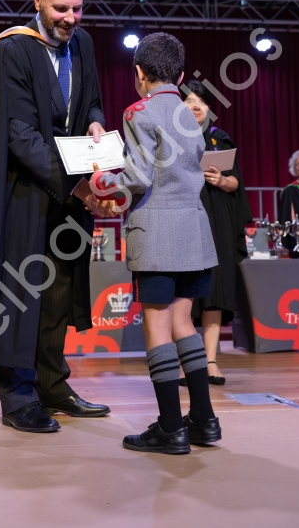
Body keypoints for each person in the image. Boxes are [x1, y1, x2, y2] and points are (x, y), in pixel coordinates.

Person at [0, 0, 117, 433]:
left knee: (58, 290)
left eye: (78, 8)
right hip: (22, 191)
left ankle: (52, 384)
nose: (70, 18)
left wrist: (94, 120)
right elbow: (19, 135)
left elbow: (91, 99)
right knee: (20, 292)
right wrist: (77, 186)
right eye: (60, 8)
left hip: (66, 192)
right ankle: (18, 394)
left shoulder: (83, 44)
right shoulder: (12, 50)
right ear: (37, 0)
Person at [91, 33, 221, 454]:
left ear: (139, 73)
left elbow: (138, 177)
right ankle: (203, 420)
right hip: (194, 230)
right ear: (180, 76)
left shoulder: (139, 111)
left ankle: (170, 427)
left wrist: (99, 179)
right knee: (185, 324)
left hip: (158, 233)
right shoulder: (191, 115)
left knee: (158, 326)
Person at [180, 81, 252, 385]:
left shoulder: (218, 139)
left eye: (202, 101)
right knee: (183, 292)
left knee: (214, 292)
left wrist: (221, 180)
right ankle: (185, 364)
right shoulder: (172, 140)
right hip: (183, 218)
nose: (197, 106)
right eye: (190, 101)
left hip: (216, 220)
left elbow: (235, 184)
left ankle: (210, 362)